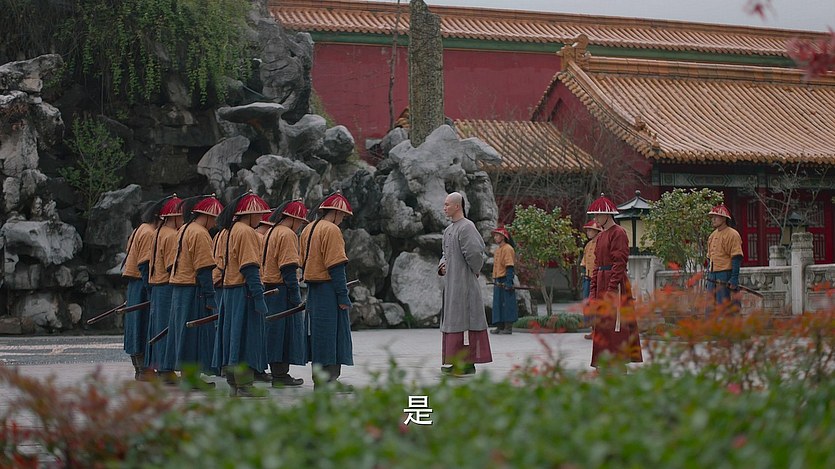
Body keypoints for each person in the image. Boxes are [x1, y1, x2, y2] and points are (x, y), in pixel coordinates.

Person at [213, 192, 272, 397]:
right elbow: (249, 267)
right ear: (250, 214)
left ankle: (234, 384)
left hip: (229, 291)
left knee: (232, 338)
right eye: (259, 214)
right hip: (243, 292)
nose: (261, 218)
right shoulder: (246, 232)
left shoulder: (229, 231)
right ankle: (245, 384)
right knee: (247, 338)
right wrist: (259, 297)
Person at [165, 194, 224, 388]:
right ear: (205, 215)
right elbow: (204, 268)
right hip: (193, 289)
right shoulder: (200, 233)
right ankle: (192, 378)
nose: (215, 222)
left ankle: (187, 376)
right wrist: (210, 296)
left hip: (179, 288)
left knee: (182, 333)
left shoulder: (183, 229)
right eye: (213, 217)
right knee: (194, 336)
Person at [299, 191, 354, 389]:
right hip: (328, 290)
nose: (342, 220)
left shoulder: (308, 228)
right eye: (343, 216)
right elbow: (336, 266)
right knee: (332, 336)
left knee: (318, 336)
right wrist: (343, 296)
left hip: (313, 290)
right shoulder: (331, 230)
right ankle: (329, 380)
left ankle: (320, 379)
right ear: (336, 212)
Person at [438, 192, 492, 376]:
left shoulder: (467, 227)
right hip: (451, 284)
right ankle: (456, 362)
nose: (444, 208)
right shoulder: (448, 230)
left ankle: (466, 363)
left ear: (457, 206)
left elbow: (475, 253)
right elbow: (444, 254)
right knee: (454, 321)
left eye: (447, 204)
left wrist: (475, 269)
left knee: (465, 322)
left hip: (464, 284)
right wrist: (442, 266)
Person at [587, 194, 642, 372]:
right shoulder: (601, 236)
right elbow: (596, 264)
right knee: (602, 324)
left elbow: (620, 263)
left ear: (607, 214)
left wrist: (611, 289)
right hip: (602, 280)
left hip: (615, 283)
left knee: (616, 324)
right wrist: (593, 291)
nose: (596, 218)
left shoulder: (619, 233)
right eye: (594, 215)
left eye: (598, 214)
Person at [261, 200, 309, 387]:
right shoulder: (287, 234)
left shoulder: (271, 231)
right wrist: (295, 296)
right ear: (293, 219)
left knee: (273, 332)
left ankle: (277, 372)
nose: (299, 226)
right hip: (281, 290)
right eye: (300, 222)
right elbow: (288, 267)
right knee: (282, 333)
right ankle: (280, 374)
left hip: (269, 287)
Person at [121, 198, 162, 381]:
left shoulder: (140, 229)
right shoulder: (149, 233)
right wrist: (151, 289)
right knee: (142, 325)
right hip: (142, 283)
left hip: (135, 283)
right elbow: (145, 263)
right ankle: (144, 369)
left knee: (136, 325)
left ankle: (141, 369)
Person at [144, 195, 183, 381]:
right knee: (167, 328)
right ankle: (166, 369)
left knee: (158, 327)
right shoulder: (171, 235)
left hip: (156, 285)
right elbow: (171, 265)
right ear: (174, 217)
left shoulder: (158, 232)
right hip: (167, 286)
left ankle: (160, 367)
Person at [705, 203, 744, 316]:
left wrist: (734, 278)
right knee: (710, 308)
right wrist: (709, 276)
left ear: (723, 218)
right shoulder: (712, 236)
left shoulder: (733, 234)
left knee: (725, 306)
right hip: (712, 275)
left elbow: (736, 257)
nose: (713, 219)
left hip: (725, 274)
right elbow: (710, 258)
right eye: (712, 217)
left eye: (716, 217)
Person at [490, 226, 517, 335]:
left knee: (507, 304)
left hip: (505, 278)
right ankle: (499, 326)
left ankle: (508, 327)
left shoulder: (508, 249)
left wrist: (509, 281)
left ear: (503, 237)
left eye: (497, 235)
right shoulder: (498, 250)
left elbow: (509, 266)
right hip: (498, 279)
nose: (495, 237)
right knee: (498, 304)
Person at [581, 220, 603, 340]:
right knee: (587, 304)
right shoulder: (588, 245)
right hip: (588, 278)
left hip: (598, 278)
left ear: (597, 231)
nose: (588, 232)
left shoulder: (601, 244)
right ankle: (593, 329)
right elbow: (584, 263)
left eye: (590, 230)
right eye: (588, 230)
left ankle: (599, 331)